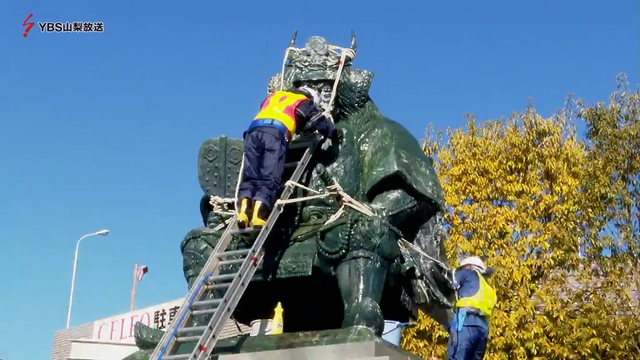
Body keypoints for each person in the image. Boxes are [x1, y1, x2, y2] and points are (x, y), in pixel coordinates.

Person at [236, 85, 343, 229]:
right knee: (270, 176)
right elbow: (318, 121)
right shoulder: (303, 101)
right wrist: (335, 134)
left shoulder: (274, 96)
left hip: (253, 132)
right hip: (274, 134)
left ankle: (243, 212)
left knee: (251, 175)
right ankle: (258, 215)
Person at [447, 256, 497, 360]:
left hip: (466, 321)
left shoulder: (468, 273)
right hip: (483, 328)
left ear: (469, 266)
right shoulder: (488, 287)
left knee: (457, 356)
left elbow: (448, 281)